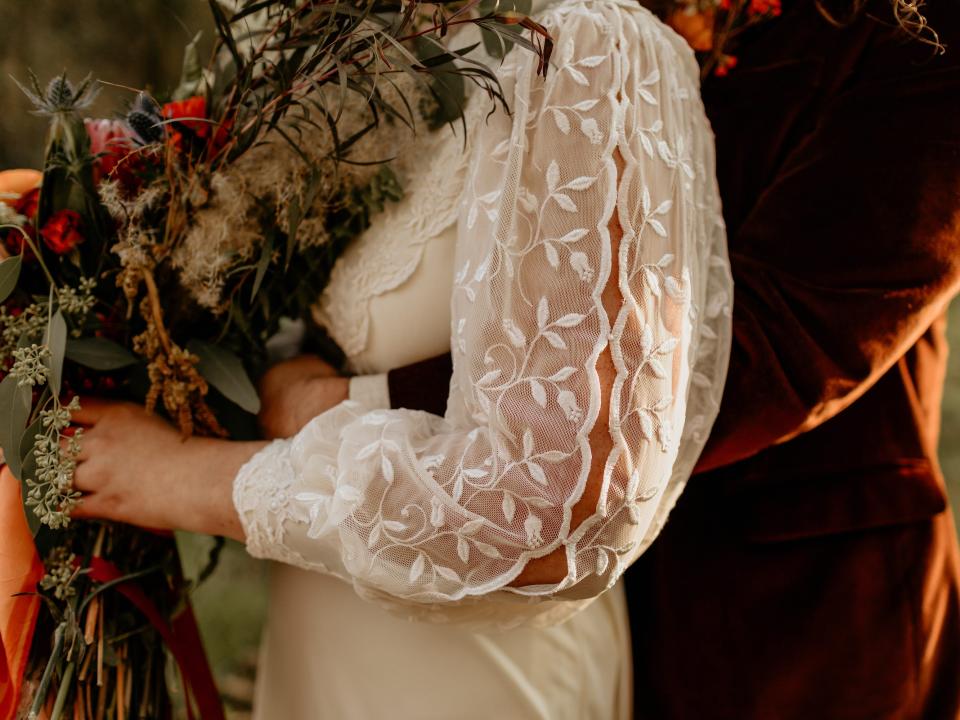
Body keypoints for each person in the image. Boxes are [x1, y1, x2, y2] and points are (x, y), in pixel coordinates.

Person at [68, 0, 732, 717]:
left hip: (475, 672)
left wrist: (176, 478)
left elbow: (549, 502)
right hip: (326, 634)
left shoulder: (584, 46)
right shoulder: (378, 43)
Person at [363, 0, 960, 716]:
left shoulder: (923, 32)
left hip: (797, 604)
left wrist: (370, 401)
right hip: (555, 591)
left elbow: (779, 342)